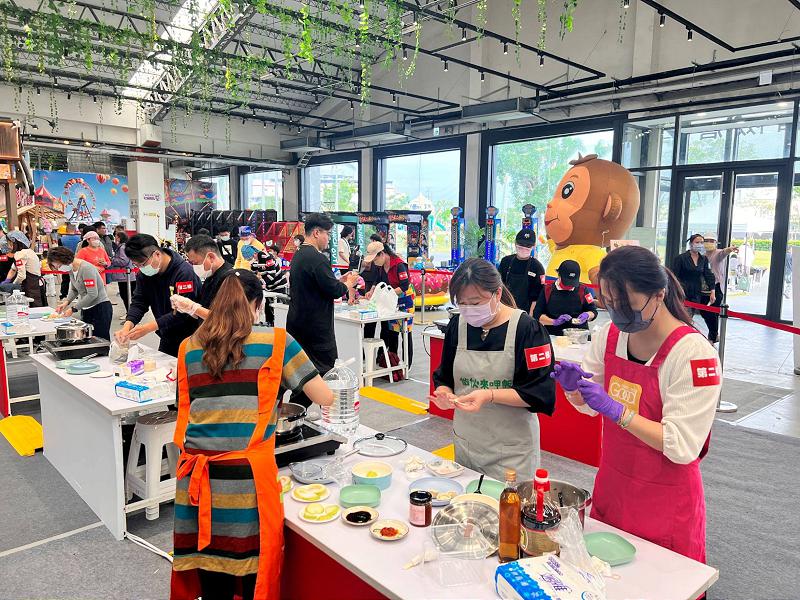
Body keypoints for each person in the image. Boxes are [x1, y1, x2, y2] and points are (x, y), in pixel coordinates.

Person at [170, 269, 333, 600]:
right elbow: (325, 397)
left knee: (212, 579)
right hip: (245, 485)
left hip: (196, 485)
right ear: (257, 305)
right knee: (250, 581)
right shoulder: (277, 342)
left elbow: (188, 409)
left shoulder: (188, 347)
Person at [553, 245, 720, 564]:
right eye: (609, 303)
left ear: (659, 294)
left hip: (666, 500)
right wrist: (574, 391)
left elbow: (682, 445)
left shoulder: (694, 355)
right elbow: (590, 405)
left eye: (627, 304)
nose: (618, 313)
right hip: (614, 485)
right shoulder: (609, 336)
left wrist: (620, 412)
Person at [430, 258, 555, 482]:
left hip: (512, 453)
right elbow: (444, 376)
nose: (469, 310)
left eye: (476, 302)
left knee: (508, 503)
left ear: (497, 293)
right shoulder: (457, 326)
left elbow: (539, 393)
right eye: (462, 303)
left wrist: (489, 395)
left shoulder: (527, 329)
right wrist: (444, 393)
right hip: (467, 443)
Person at [287, 213, 358, 394]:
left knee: (304, 377)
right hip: (316, 330)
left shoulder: (299, 255)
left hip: (299, 325)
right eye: (327, 233)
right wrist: (349, 284)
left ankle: (297, 409)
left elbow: (321, 284)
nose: (329, 238)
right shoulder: (317, 258)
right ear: (317, 233)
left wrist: (338, 280)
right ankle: (329, 410)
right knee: (328, 377)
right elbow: (335, 291)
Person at [115, 234, 201, 357]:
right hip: (167, 336)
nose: (141, 268)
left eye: (143, 264)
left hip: (191, 338)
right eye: (136, 265)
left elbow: (183, 313)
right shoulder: (144, 275)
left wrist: (148, 327)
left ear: (157, 254)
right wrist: (128, 325)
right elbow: (139, 301)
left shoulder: (184, 273)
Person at [363, 241, 416, 367]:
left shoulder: (399, 265)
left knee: (405, 332)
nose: (374, 262)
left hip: (405, 300)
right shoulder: (381, 266)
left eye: (375, 259)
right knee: (392, 331)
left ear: (382, 254)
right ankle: (393, 362)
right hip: (391, 301)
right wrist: (372, 290)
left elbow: (404, 286)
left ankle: (407, 364)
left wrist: (387, 294)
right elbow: (378, 280)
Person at [48, 246, 113, 340]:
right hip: (86, 308)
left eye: (59, 266)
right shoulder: (71, 269)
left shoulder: (86, 268)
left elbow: (92, 294)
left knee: (101, 340)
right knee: (87, 339)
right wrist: (66, 302)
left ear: (64, 259)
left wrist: (73, 309)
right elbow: (74, 289)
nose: (59, 268)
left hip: (100, 308)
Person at [170, 234, 233, 321]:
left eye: (195, 263)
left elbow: (224, 319)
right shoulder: (211, 275)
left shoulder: (229, 280)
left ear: (211, 257)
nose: (194, 267)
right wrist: (185, 306)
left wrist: (192, 307)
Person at [672, 234, 717, 342]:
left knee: (689, 318)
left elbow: (708, 275)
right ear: (691, 243)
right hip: (682, 292)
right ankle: (678, 338)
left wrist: (713, 290)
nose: (700, 244)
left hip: (696, 293)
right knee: (682, 318)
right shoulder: (681, 258)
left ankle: (682, 338)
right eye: (697, 242)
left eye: (701, 242)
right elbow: (674, 276)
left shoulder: (703, 259)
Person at [533, 259, 597, 336]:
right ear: (559, 275)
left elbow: (593, 311)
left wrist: (587, 315)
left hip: (579, 335)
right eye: (566, 282)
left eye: (573, 283)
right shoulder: (547, 290)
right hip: (554, 335)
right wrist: (554, 322)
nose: (569, 286)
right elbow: (537, 315)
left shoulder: (583, 290)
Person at [499, 229, 545, 315]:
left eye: (528, 246)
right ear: (515, 243)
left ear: (533, 246)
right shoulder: (505, 261)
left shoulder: (537, 267)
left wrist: (530, 317)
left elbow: (537, 296)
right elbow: (498, 286)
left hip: (526, 313)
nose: (524, 248)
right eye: (521, 245)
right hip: (505, 308)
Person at [702, 233, 738, 342]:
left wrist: (730, 249)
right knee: (704, 312)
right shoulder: (701, 255)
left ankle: (713, 336)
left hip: (716, 287)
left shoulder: (717, 253)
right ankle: (713, 334)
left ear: (716, 243)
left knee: (712, 313)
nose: (709, 243)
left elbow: (724, 252)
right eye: (706, 240)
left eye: (711, 241)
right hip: (703, 287)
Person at [0, 231, 46, 306]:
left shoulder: (20, 254)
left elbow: (22, 276)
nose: (8, 248)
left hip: (31, 286)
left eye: (9, 244)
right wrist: (7, 280)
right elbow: (13, 269)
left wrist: (13, 286)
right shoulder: (28, 251)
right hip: (37, 284)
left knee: (33, 306)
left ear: (15, 243)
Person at [108, 231, 137, 316]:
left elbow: (123, 261)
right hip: (127, 275)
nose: (115, 238)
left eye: (116, 236)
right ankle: (131, 313)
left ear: (119, 238)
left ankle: (130, 314)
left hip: (125, 276)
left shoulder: (122, 248)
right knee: (129, 295)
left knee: (126, 295)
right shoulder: (126, 246)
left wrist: (112, 259)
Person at [59, 224, 82, 300]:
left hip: (65, 261)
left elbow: (60, 251)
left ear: (66, 230)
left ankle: (63, 294)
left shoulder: (61, 239)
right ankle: (76, 295)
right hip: (76, 260)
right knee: (76, 278)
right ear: (75, 230)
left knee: (65, 279)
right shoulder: (79, 239)